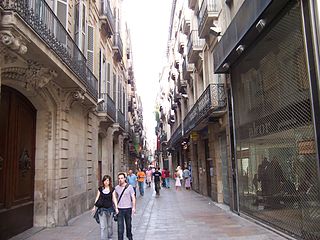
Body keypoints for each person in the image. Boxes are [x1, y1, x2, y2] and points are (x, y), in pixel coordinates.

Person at [92, 175, 117, 240]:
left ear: (109, 181)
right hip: (102, 210)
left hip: (110, 209)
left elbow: (114, 199)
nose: (106, 182)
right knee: (103, 227)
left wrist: (116, 208)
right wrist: (94, 207)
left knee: (109, 225)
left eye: (108, 180)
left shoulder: (112, 189)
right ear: (103, 181)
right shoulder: (100, 189)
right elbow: (97, 198)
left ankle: (109, 237)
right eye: (105, 180)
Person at [113, 172, 136, 240]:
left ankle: (129, 237)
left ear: (125, 179)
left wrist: (134, 207)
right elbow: (114, 197)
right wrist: (116, 207)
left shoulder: (129, 187)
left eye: (122, 178)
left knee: (128, 226)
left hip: (128, 209)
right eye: (119, 178)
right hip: (120, 210)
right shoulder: (116, 188)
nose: (120, 180)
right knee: (120, 228)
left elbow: (133, 197)